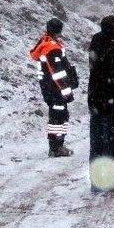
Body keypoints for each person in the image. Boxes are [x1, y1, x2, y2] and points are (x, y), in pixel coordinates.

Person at [88, 15, 114, 193]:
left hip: (99, 101)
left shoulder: (98, 42)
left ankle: (98, 181)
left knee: (99, 142)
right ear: (113, 30)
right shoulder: (110, 47)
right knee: (113, 142)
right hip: (110, 103)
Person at [29, 18, 79, 157]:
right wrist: (67, 91)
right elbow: (57, 73)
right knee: (59, 117)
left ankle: (55, 146)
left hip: (48, 88)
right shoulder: (52, 48)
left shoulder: (44, 42)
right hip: (55, 90)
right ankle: (57, 147)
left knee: (55, 116)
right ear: (59, 30)